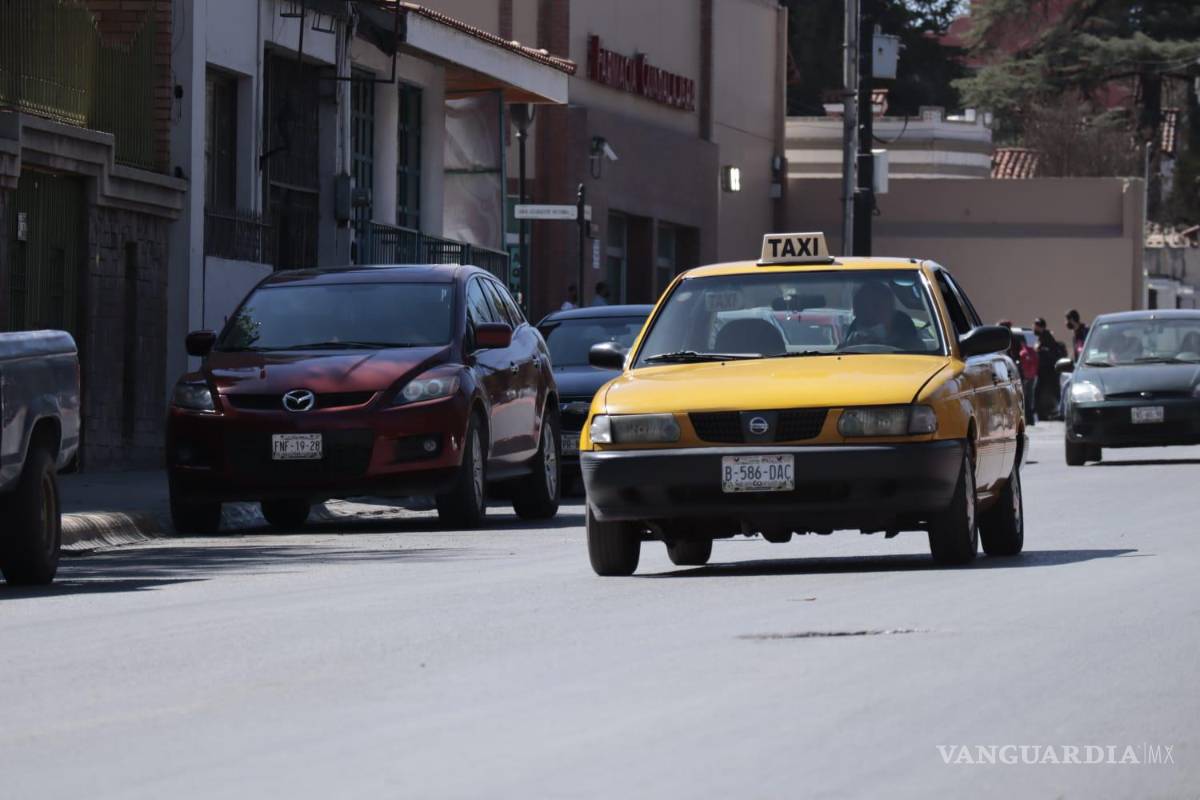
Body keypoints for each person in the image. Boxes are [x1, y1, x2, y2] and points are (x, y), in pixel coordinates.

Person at [843, 281, 923, 351]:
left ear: (890, 311)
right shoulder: (850, 341)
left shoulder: (913, 346)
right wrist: (849, 347)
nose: (870, 313)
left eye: (877, 307)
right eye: (863, 308)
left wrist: (882, 346)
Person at [1033, 318, 1065, 420]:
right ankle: (1044, 414)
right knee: (1046, 393)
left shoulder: (1047, 337)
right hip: (1044, 372)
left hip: (1048, 372)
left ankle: (1058, 413)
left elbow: (1051, 353)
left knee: (1048, 393)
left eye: (1035, 326)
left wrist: (1040, 350)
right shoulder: (1042, 337)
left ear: (1040, 326)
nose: (1034, 328)